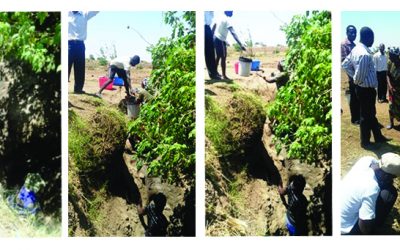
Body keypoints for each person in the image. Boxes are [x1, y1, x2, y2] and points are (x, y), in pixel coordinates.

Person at [342, 27, 389, 149]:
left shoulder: (356, 49)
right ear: (367, 37)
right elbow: (360, 75)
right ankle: (365, 142)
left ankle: (378, 137)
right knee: (365, 117)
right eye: (372, 38)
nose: (373, 40)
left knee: (370, 114)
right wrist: (356, 81)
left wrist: (354, 78)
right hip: (365, 90)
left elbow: (345, 64)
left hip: (364, 89)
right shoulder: (364, 54)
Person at [341, 153, 400, 235]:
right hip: (345, 229)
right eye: (393, 177)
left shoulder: (366, 160)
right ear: (386, 176)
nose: (392, 180)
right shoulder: (371, 187)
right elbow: (364, 226)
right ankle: (377, 225)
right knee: (389, 193)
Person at [68, 11, 99, 94]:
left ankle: (78, 89)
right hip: (68, 44)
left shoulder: (85, 14)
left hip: (80, 44)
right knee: (66, 67)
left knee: (80, 68)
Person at [212, 11, 246, 80]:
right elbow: (233, 33)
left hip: (216, 38)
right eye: (231, 11)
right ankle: (224, 75)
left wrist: (212, 38)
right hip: (220, 39)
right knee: (223, 57)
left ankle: (214, 73)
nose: (232, 13)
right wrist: (240, 44)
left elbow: (214, 27)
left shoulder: (220, 17)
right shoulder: (227, 20)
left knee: (218, 56)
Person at [341, 25, 360, 125]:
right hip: (352, 76)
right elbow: (344, 63)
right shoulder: (344, 45)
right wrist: (352, 77)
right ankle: (355, 119)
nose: (353, 34)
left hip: (357, 76)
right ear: (347, 33)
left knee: (357, 97)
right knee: (353, 97)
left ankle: (358, 117)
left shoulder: (354, 45)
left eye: (355, 33)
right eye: (351, 32)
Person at [386, 48, 400, 129]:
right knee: (391, 107)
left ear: (396, 56)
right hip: (392, 89)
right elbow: (387, 75)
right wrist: (390, 86)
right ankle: (392, 124)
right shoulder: (390, 62)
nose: (389, 57)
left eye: (391, 56)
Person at [204, 11, 220, 80]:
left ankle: (214, 73)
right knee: (208, 52)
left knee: (210, 52)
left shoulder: (210, 12)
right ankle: (213, 74)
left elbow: (213, 21)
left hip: (207, 28)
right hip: (204, 27)